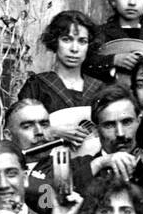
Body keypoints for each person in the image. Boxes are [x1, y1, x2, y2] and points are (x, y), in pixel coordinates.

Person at [16, 10, 105, 145]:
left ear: (89, 46)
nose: (74, 49)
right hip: (48, 161)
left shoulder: (99, 88)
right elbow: (20, 129)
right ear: (55, 42)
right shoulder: (38, 85)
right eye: (66, 40)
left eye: (82, 41)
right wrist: (52, 131)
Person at [69, 84, 142, 193]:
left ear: (139, 121)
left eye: (127, 122)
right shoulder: (80, 166)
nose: (120, 133)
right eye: (109, 125)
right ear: (96, 130)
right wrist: (100, 163)